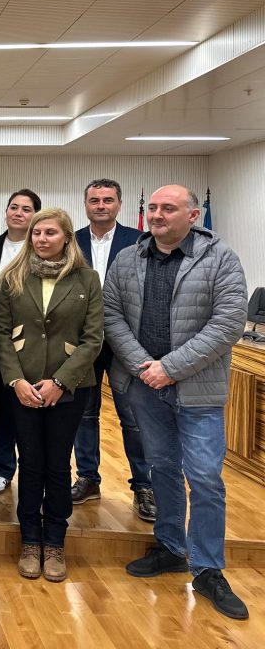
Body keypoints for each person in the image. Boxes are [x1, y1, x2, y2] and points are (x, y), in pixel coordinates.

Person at [104, 185, 248, 620]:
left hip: (197, 390)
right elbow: (112, 315)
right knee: (161, 467)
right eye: (153, 208)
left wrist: (170, 367)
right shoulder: (128, 258)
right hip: (146, 386)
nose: (159, 214)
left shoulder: (220, 258)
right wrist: (144, 365)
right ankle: (170, 546)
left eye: (169, 208)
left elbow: (228, 323)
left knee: (204, 477)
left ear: (193, 213)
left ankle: (208, 569)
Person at [0, 208, 102, 583]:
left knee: (57, 465)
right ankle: (30, 540)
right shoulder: (12, 278)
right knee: (31, 463)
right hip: (21, 389)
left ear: (67, 238)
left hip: (69, 389)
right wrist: (16, 381)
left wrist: (60, 382)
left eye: (50, 232)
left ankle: (55, 542)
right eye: (37, 233)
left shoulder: (87, 279)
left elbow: (93, 338)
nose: (41, 239)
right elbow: (2, 334)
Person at [70, 179, 152, 521]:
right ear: (85, 204)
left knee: (132, 417)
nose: (100, 205)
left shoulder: (140, 241)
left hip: (125, 342)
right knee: (84, 415)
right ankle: (88, 478)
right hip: (81, 341)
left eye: (107, 200)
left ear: (119, 204)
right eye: (94, 200)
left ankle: (144, 486)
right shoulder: (71, 241)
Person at [0, 188, 42, 496]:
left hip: (32, 343)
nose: (19, 213)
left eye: (26, 209)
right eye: (14, 207)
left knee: (30, 408)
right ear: (6, 212)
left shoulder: (41, 250)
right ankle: (2, 468)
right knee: (3, 406)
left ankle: (33, 469)